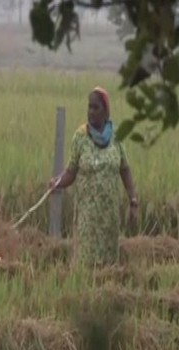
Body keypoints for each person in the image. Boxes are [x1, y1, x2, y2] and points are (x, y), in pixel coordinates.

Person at [49, 86, 138, 268]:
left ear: (105, 111)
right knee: (86, 264)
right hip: (87, 218)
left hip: (109, 217)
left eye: (95, 108)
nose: (91, 112)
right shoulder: (80, 137)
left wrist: (133, 200)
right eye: (89, 107)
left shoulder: (116, 137)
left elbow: (125, 170)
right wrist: (57, 183)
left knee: (108, 267)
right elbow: (71, 172)